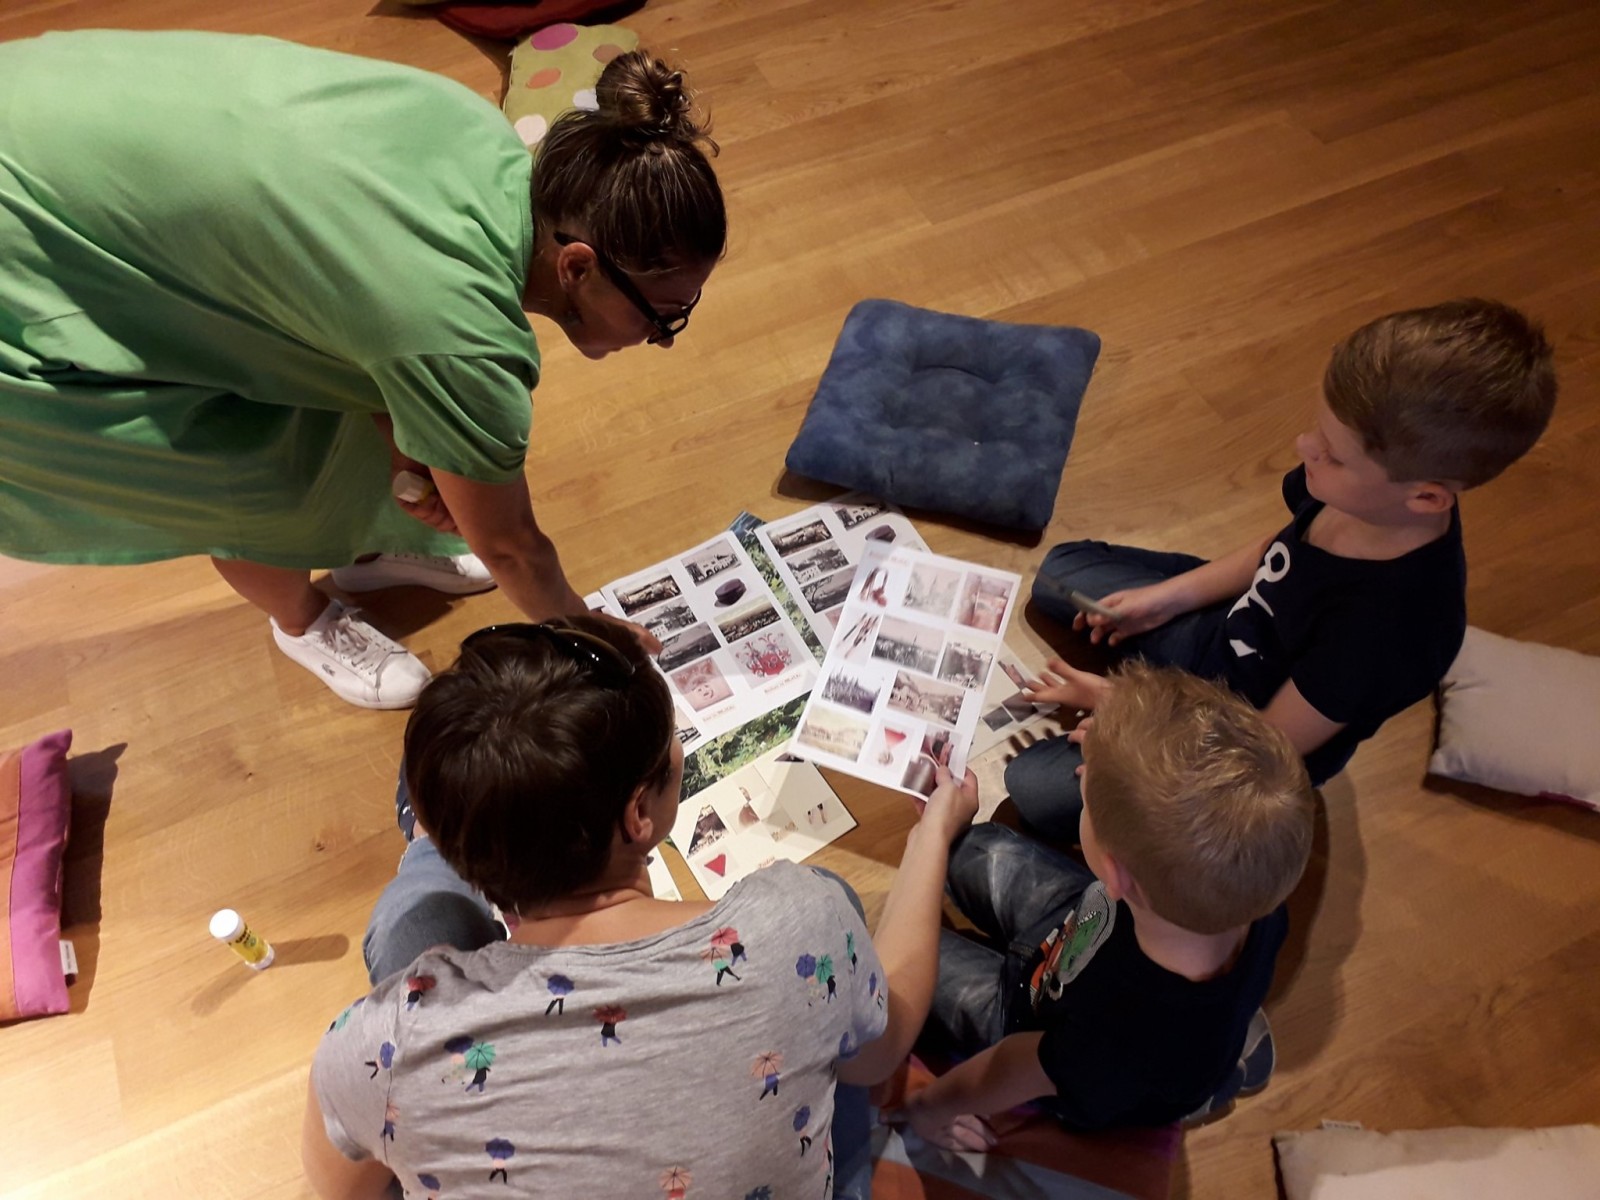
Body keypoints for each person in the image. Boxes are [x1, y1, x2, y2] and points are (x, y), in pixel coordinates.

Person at [0, 30, 724, 708]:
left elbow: (350, 298)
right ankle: (301, 620)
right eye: (664, 314)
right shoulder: (461, 339)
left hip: (56, 99)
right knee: (238, 473)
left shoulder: (480, 137)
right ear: (577, 266)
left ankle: (370, 545)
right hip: (27, 236)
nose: (662, 339)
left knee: (331, 402)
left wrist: (413, 448)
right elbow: (513, 548)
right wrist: (588, 632)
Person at [303, 615, 982, 1198]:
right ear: (639, 815)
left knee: (419, 913)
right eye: (673, 742)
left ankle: (426, 844)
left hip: (423, 1026)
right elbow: (880, 1054)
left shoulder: (380, 1039)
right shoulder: (798, 925)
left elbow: (342, 1188)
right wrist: (931, 836)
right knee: (835, 907)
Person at [1007, 299, 1558, 839]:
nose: (1304, 446)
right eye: (1319, 430)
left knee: (1033, 790)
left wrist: (1132, 714)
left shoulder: (1393, 633)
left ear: (1427, 498)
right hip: (1226, 638)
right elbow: (1281, 553)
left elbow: (1263, 744)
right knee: (1062, 571)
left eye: (1333, 453)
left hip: (1242, 734)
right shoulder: (1361, 494)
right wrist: (1169, 598)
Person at [901, 663, 1314, 1150]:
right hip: (1077, 931)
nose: (1081, 780)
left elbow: (1010, 1067)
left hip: (1034, 1022)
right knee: (973, 849)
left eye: (1084, 793)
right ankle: (1222, 1058)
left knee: (896, 974)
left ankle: (1208, 1082)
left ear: (1114, 872)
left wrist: (931, 1108)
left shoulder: (1120, 1038)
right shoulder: (1255, 897)